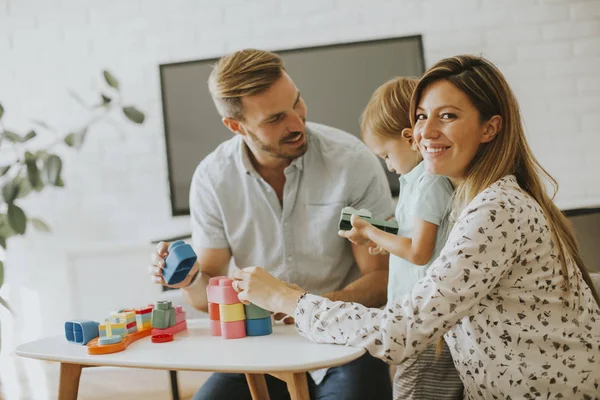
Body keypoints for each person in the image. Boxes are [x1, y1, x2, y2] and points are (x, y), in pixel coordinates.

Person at [231, 55, 600, 399]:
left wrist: (286, 299)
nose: (425, 132)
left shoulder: (495, 210)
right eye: (422, 116)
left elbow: (400, 333)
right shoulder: (467, 202)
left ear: (490, 128)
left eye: (449, 116)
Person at [148, 49, 394, 399]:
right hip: (260, 345)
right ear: (236, 126)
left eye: (297, 103)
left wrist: (306, 309)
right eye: (275, 118)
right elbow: (208, 296)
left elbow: (381, 279)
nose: (297, 123)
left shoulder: (352, 163)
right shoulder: (212, 178)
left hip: (344, 340)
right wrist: (188, 279)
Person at [338, 76, 463, 399]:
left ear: (410, 140)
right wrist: (380, 236)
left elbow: (419, 252)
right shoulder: (414, 182)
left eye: (386, 156)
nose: (388, 166)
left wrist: (370, 230)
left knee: (414, 391)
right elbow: (413, 234)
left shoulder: (430, 184)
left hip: (426, 323)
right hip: (413, 321)